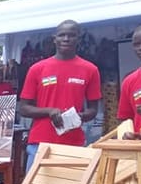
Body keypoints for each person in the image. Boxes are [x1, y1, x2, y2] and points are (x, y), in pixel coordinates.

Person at [19, 20, 102, 172]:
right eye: (62, 35)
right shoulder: (37, 69)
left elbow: (93, 110)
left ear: (79, 38)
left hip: (73, 143)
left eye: (71, 35)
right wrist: (49, 111)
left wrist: (78, 116)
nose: (66, 39)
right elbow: (23, 108)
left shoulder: (90, 70)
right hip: (40, 142)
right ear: (54, 38)